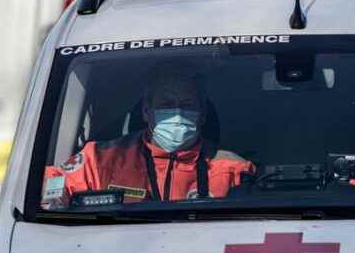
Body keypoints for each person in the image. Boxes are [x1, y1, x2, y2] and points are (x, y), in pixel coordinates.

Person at [43, 64, 254, 207]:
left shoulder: (232, 169)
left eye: (187, 105)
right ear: (146, 111)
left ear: (203, 114)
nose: (178, 112)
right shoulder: (99, 160)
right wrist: (54, 196)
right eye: (166, 104)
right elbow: (50, 185)